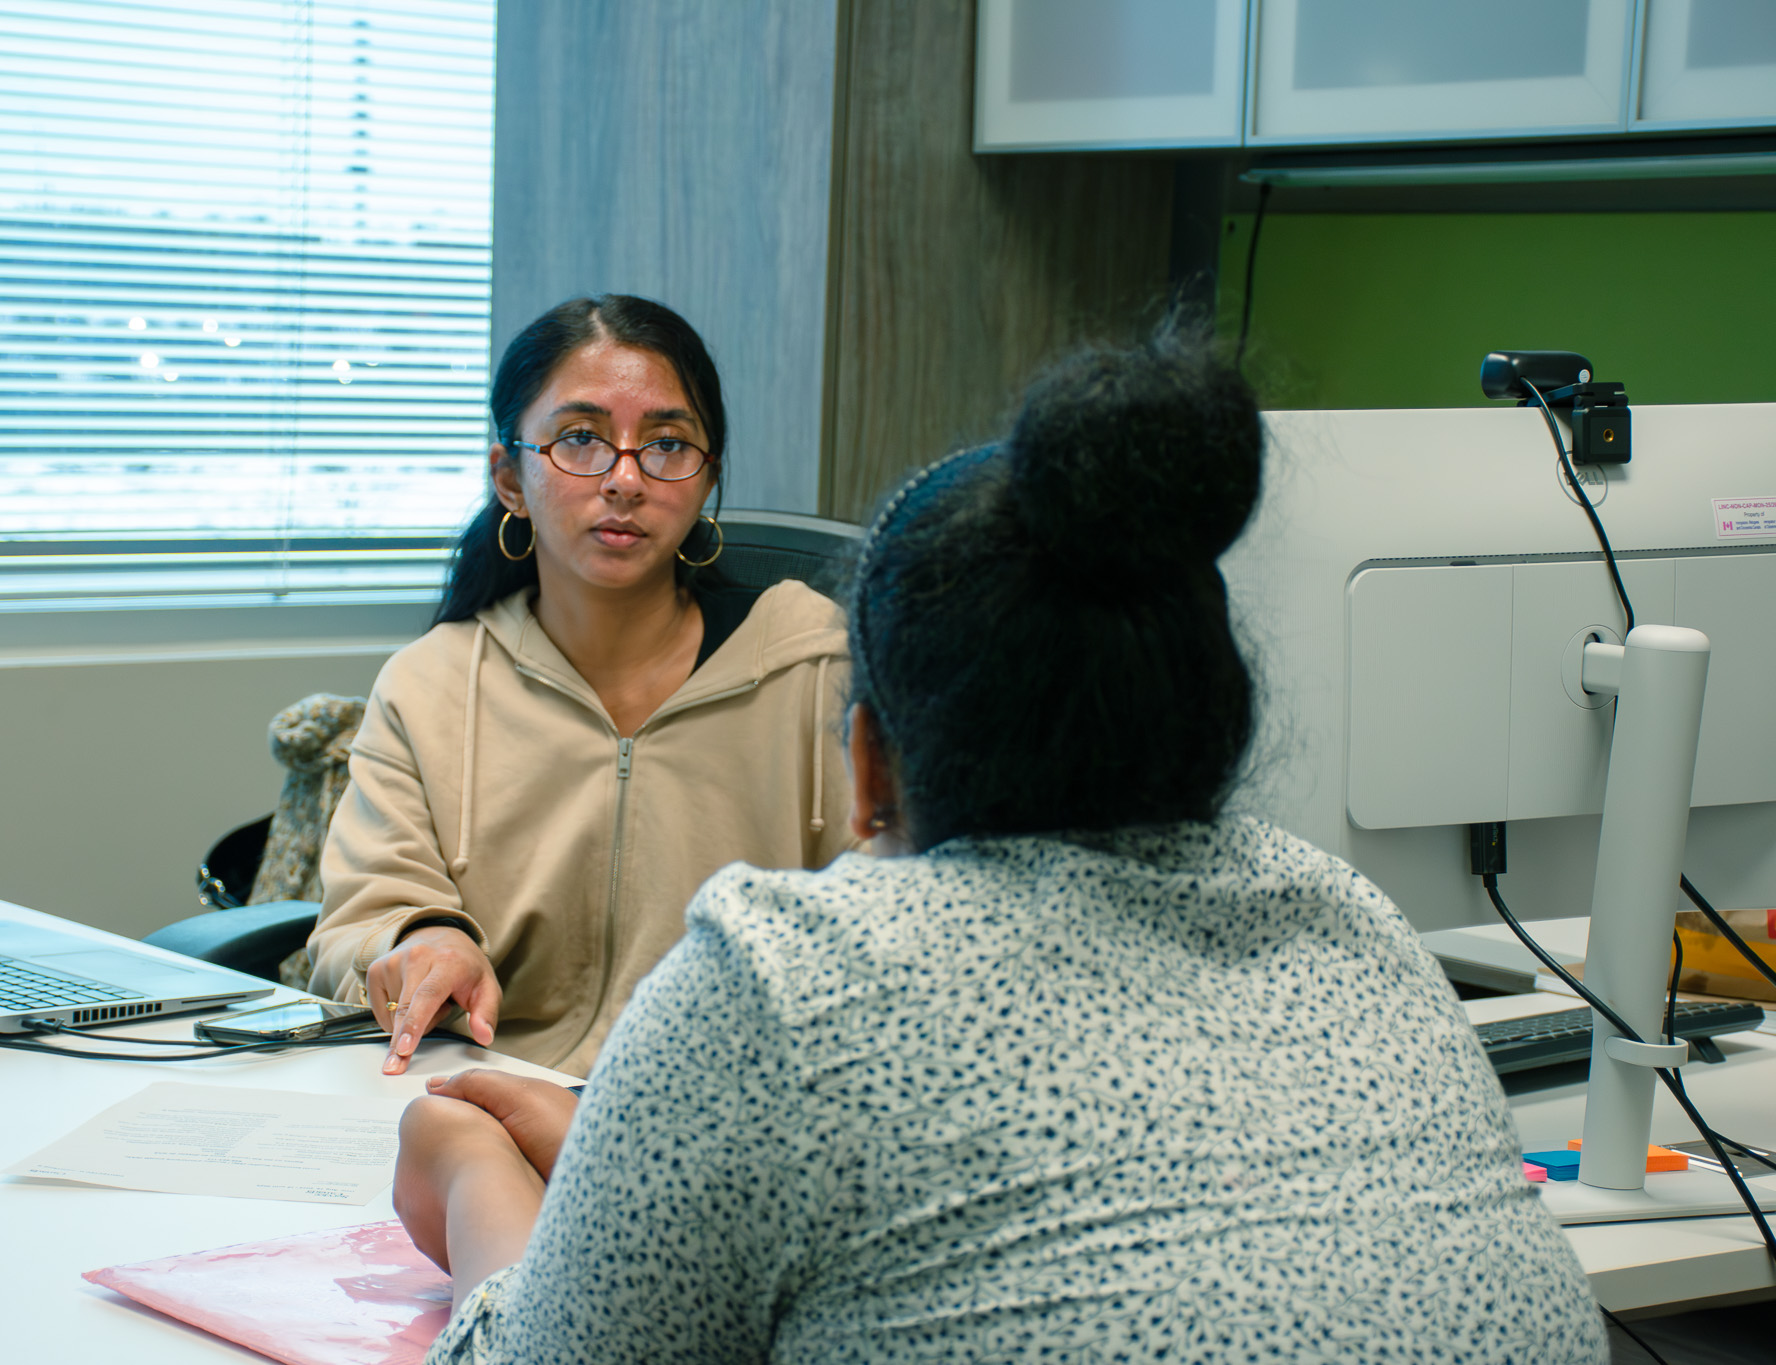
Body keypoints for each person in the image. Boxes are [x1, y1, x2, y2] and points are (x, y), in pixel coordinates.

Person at [393, 329, 1610, 1363]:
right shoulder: (1355, 923)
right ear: (1210, 718)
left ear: (867, 765)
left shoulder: (782, 978)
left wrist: (469, 1175)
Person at [308, 295, 854, 1076]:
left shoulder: (816, 664)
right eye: (580, 439)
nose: (626, 478)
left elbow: (895, 901)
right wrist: (424, 940)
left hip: (731, 1110)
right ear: (509, 477)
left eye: (667, 444)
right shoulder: (431, 685)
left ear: (707, 479)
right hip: (486, 1089)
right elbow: (363, 913)